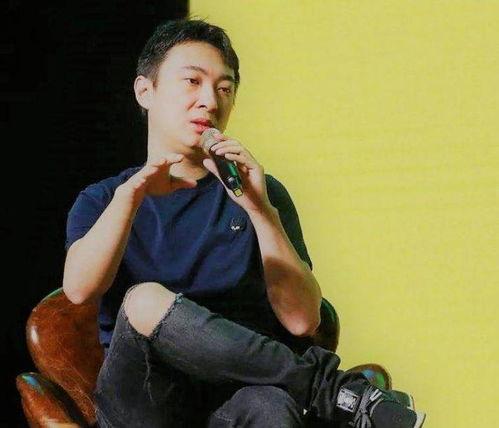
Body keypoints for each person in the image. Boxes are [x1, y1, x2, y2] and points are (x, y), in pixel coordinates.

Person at [63, 18, 426, 428]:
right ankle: (332, 392)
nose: (209, 101)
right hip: (144, 403)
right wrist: (131, 197)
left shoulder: (260, 194)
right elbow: (79, 290)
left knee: (272, 407)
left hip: (234, 397)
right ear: (145, 91)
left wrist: (259, 210)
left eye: (225, 89)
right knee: (144, 300)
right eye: (192, 82)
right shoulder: (104, 198)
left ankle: (333, 396)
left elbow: (303, 321)